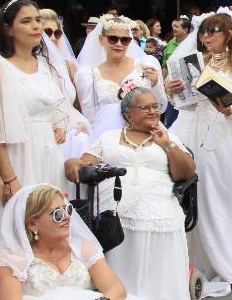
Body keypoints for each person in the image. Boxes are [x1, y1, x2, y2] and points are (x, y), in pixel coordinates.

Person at [65, 87, 195, 299]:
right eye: (146, 107)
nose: (154, 111)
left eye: (156, 107)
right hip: (115, 209)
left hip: (159, 205)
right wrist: (72, 162)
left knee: (160, 224)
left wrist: (167, 144)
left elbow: (186, 173)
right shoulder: (109, 138)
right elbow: (85, 162)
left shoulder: (168, 137)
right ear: (128, 114)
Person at [168, 11, 232, 287]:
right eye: (204, 32)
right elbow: (186, 104)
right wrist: (172, 91)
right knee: (202, 194)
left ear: (228, 34)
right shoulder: (196, 63)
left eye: (213, 31)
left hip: (231, 133)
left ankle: (231, 262)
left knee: (229, 194)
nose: (207, 37)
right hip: (200, 132)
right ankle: (201, 260)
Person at [0, 0, 72, 261]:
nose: (35, 26)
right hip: (16, 155)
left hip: (48, 154)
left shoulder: (46, 66)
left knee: (49, 225)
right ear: (9, 29)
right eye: (26, 21)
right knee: (16, 225)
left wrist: (57, 126)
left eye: (37, 20)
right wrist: (8, 176)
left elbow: (59, 106)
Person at [0, 184, 130, 299]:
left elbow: (116, 289)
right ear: (32, 224)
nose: (67, 217)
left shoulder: (83, 249)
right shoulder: (11, 258)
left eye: (68, 209)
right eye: (57, 214)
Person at [74, 15, 167, 142]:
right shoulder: (89, 76)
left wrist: (155, 83)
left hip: (146, 133)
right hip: (107, 137)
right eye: (113, 39)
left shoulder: (146, 65)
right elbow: (90, 115)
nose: (119, 44)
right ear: (101, 40)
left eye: (125, 40)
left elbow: (161, 107)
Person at [39, 10, 92, 161]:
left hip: (74, 134)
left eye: (57, 33)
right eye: (47, 32)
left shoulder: (67, 65)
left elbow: (76, 103)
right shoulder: (32, 67)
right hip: (46, 136)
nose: (53, 38)